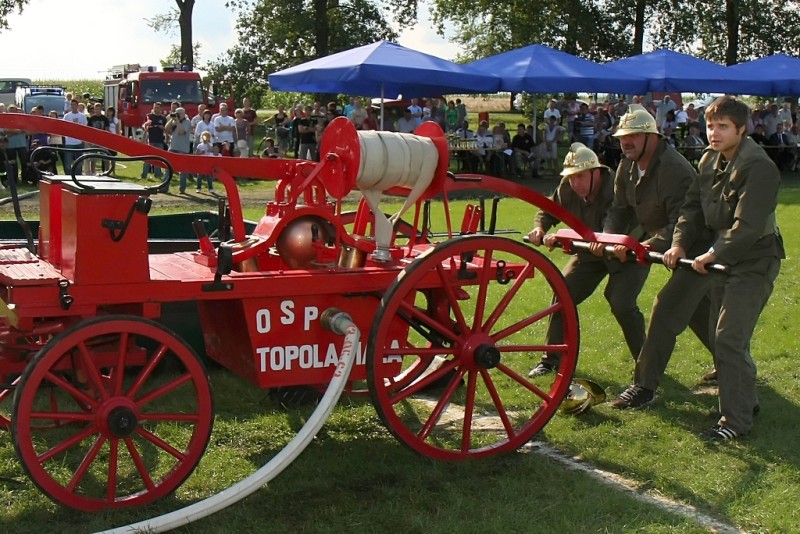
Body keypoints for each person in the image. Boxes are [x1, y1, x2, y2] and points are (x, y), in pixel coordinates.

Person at [613, 96, 784, 441]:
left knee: (728, 337)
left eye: (723, 126)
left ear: (741, 129)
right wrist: (677, 243)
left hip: (755, 258)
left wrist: (713, 252)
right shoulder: (708, 159)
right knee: (720, 333)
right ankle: (745, 402)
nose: (714, 133)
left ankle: (734, 424)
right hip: (719, 255)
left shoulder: (760, 167)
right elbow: (691, 209)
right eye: (710, 125)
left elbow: (747, 226)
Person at [597, 104, 705, 370]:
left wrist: (647, 245)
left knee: (688, 309)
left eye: (632, 135)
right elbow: (619, 210)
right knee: (697, 311)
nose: (625, 142)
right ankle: (644, 364)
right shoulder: (627, 166)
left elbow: (683, 221)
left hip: (696, 242)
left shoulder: (674, 170)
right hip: (655, 239)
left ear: (652, 137)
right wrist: (609, 238)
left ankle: (646, 381)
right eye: (622, 137)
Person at [527, 143, 650, 377]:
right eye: (571, 178)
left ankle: (645, 363)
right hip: (589, 253)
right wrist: (539, 229)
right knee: (562, 292)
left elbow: (626, 219)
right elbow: (548, 210)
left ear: (597, 172)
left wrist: (607, 241)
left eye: (580, 177)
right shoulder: (567, 187)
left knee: (621, 303)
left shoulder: (615, 186)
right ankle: (551, 359)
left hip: (628, 254)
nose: (575, 183)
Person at [165, 107, 192, 193]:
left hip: (183, 149)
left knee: (183, 170)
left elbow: (181, 132)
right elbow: (167, 129)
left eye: (180, 113)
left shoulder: (187, 122)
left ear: (184, 114)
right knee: (168, 168)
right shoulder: (174, 121)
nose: (178, 115)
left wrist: (178, 121)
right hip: (173, 147)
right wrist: (171, 119)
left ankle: (182, 189)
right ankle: (164, 188)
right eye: (177, 113)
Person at [140, 101, 166, 179]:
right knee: (147, 159)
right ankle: (144, 175)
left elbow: (166, 129)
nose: (155, 109)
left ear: (161, 108)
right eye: (154, 107)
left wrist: (163, 128)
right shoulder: (149, 116)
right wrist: (146, 125)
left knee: (158, 159)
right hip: (150, 140)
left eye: (157, 107)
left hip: (160, 141)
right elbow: (143, 125)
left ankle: (157, 174)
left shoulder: (163, 118)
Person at [62, 99, 88, 175]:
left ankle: (78, 177)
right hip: (69, 142)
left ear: (77, 105)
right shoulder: (67, 116)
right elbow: (64, 128)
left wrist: (84, 140)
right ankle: (68, 177)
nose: (73, 106)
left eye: (74, 104)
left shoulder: (82, 116)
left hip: (79, 142)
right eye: (71, 104)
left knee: (79, 163)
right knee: (67, 162)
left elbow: (85, 129)